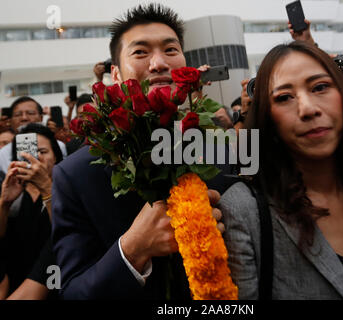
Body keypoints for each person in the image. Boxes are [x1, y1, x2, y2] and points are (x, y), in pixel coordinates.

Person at [52, 3, 228, 300]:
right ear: (116, 74)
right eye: (141, 52)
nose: (159, 63)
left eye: (171, 50)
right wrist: (134, 248)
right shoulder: (75, 175)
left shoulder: (221, 150)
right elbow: (73, 293)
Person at [220, 41, 343, 300]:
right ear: (266, 116)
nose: (308, 109)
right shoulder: (243, 210)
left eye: (320, 87)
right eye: (284, 97)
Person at [0, 123, 63, 299]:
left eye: (42, 152)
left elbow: (65, 234)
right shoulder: (11, 189)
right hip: (15, 283)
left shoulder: (67, 189)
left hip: (54, 283)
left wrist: (46, 187)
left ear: (56, 156)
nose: (35, 158)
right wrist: (4, 203)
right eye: (27, 153)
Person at [0, 97, 67, 175]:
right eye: (18, 114)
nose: (24, 118)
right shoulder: (2, 154)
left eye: (30, 113)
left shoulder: (59, 145)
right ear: (10, 120)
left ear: (41, 117)